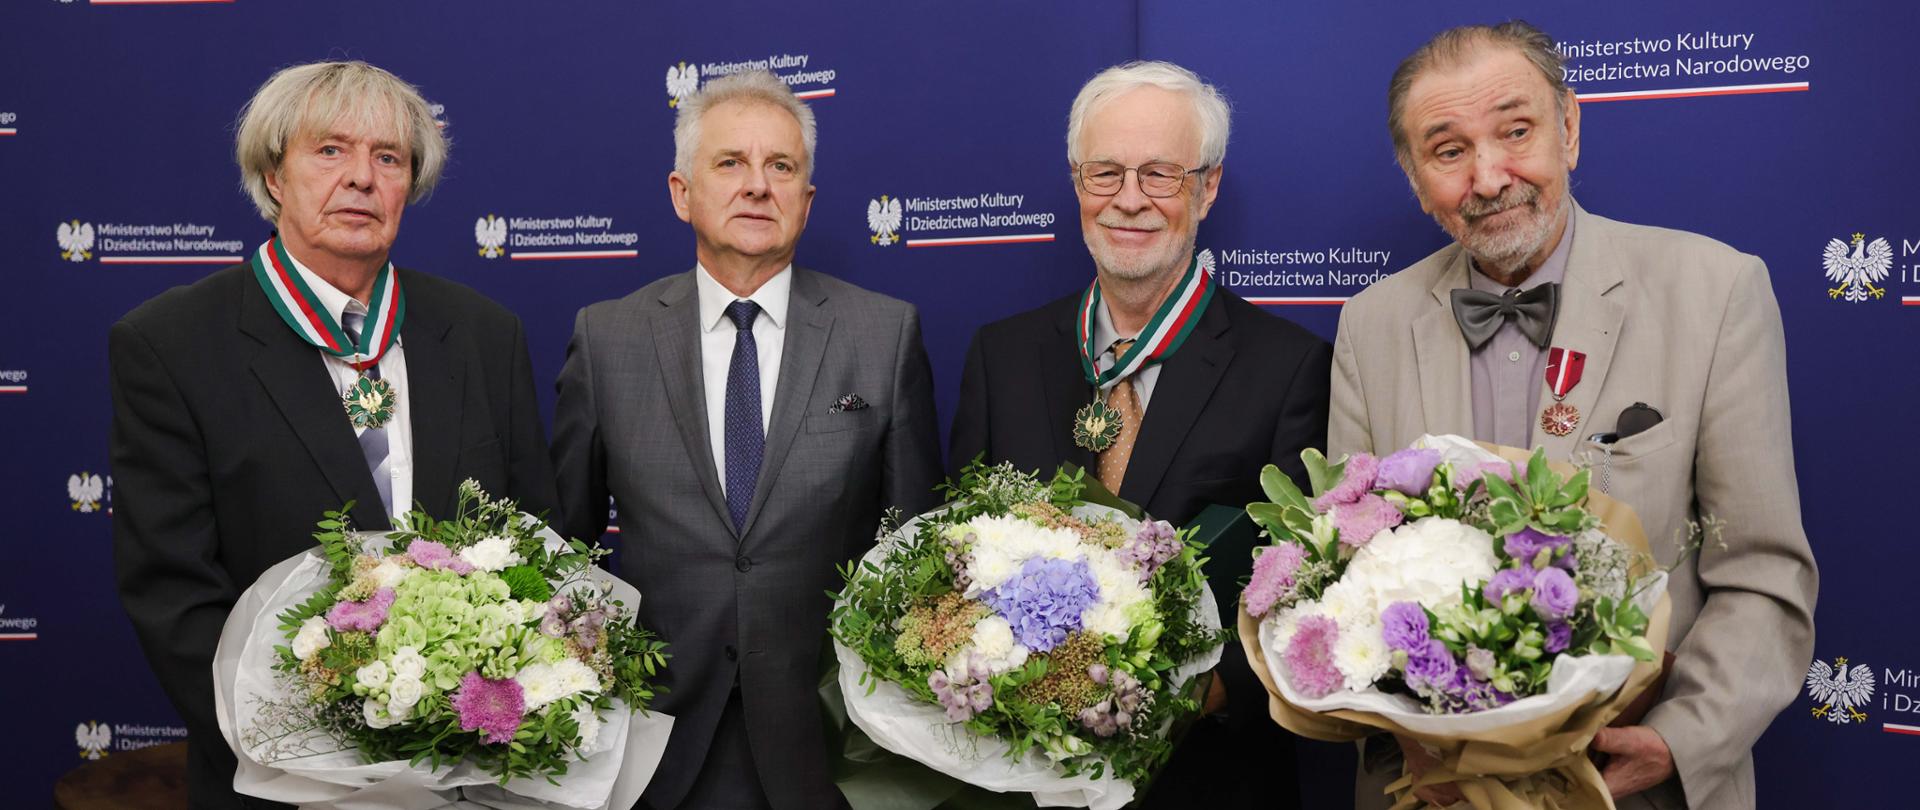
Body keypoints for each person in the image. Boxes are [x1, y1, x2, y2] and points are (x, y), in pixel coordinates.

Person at [1330, 21, 1817, 810]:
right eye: (1449, 150)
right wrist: (1413, 739)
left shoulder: (1717, 292)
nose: (1489, 178)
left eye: (1515, 132)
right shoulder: (1370, 325)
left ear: (1570, 128)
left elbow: (1763, 577)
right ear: (1416, 179)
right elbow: (1345, 580)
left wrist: (1676, 741)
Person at [110, 60, 559, 809]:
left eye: (388, 158)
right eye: (330, 151)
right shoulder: (172, 344)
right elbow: (174, 598)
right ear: (273, 176)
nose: (361, 177)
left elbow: (538, 548)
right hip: (284, 784)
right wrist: (336, 750)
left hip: (475, 783)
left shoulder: (484, 335)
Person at [550, 70, 943, 810]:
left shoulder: (884, 333)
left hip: (832, 745)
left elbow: (918, 559)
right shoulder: (607, 337)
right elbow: (564, 553)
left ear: (807, 199)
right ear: (681, 192)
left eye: (781, 167)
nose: (758, 186)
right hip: (654, 739)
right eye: (730, 163)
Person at [949, 60, 1331, 810]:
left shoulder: (1289, 367)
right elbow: (955, 553)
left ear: (1208, 187)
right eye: (1106, 173)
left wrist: (1182, 706)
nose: (1129, 200)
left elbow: (1306, 593)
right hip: (1020, 775)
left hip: (1208, 780)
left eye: (1160, 174)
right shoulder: (1001, 355)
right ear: (1075, 181)